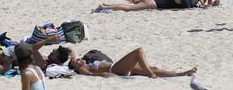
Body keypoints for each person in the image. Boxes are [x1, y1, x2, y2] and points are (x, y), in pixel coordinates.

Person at [69, 47, 197, 78]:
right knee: (138, 52)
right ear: (75, 66)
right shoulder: (82, 69)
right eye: (77, 60)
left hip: (118, 68)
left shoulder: (86, 63)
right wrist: (112, 76)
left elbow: (71, 52)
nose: (80, 59)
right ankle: (150, 74)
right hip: (114, 69)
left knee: (153, 67)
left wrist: (72, 57)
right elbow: (94, 75)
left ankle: (181, 74)